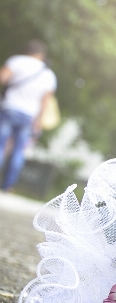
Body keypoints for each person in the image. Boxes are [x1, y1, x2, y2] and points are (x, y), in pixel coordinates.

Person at [0, 40, 57, 192]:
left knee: (0, 145)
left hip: (9, 109)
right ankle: (8, 185)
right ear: (41, 55)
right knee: (18, 151)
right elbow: (46, 102)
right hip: (29, 116)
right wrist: (38, 120)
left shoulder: (17, 61)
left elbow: (3, 78)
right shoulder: (48, 74)